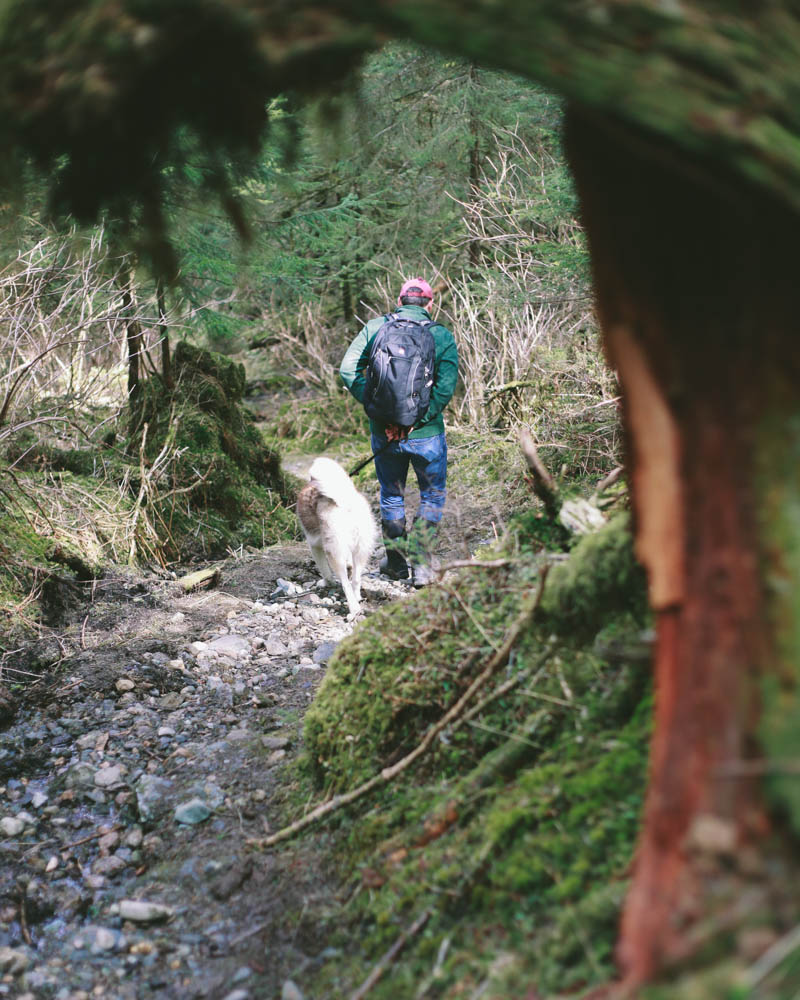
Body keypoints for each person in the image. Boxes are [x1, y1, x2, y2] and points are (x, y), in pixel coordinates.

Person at [340, 278, 459, 585]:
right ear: (430, 304)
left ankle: (395, 563)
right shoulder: (440, 335)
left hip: (384, 433)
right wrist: (417, 419)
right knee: (432, 495)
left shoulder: (376, 327)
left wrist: (377, 408)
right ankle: (421, 566)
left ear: (399, 300)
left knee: (392, 495)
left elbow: (347, 369)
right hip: (427, 435)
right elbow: (445, 386)